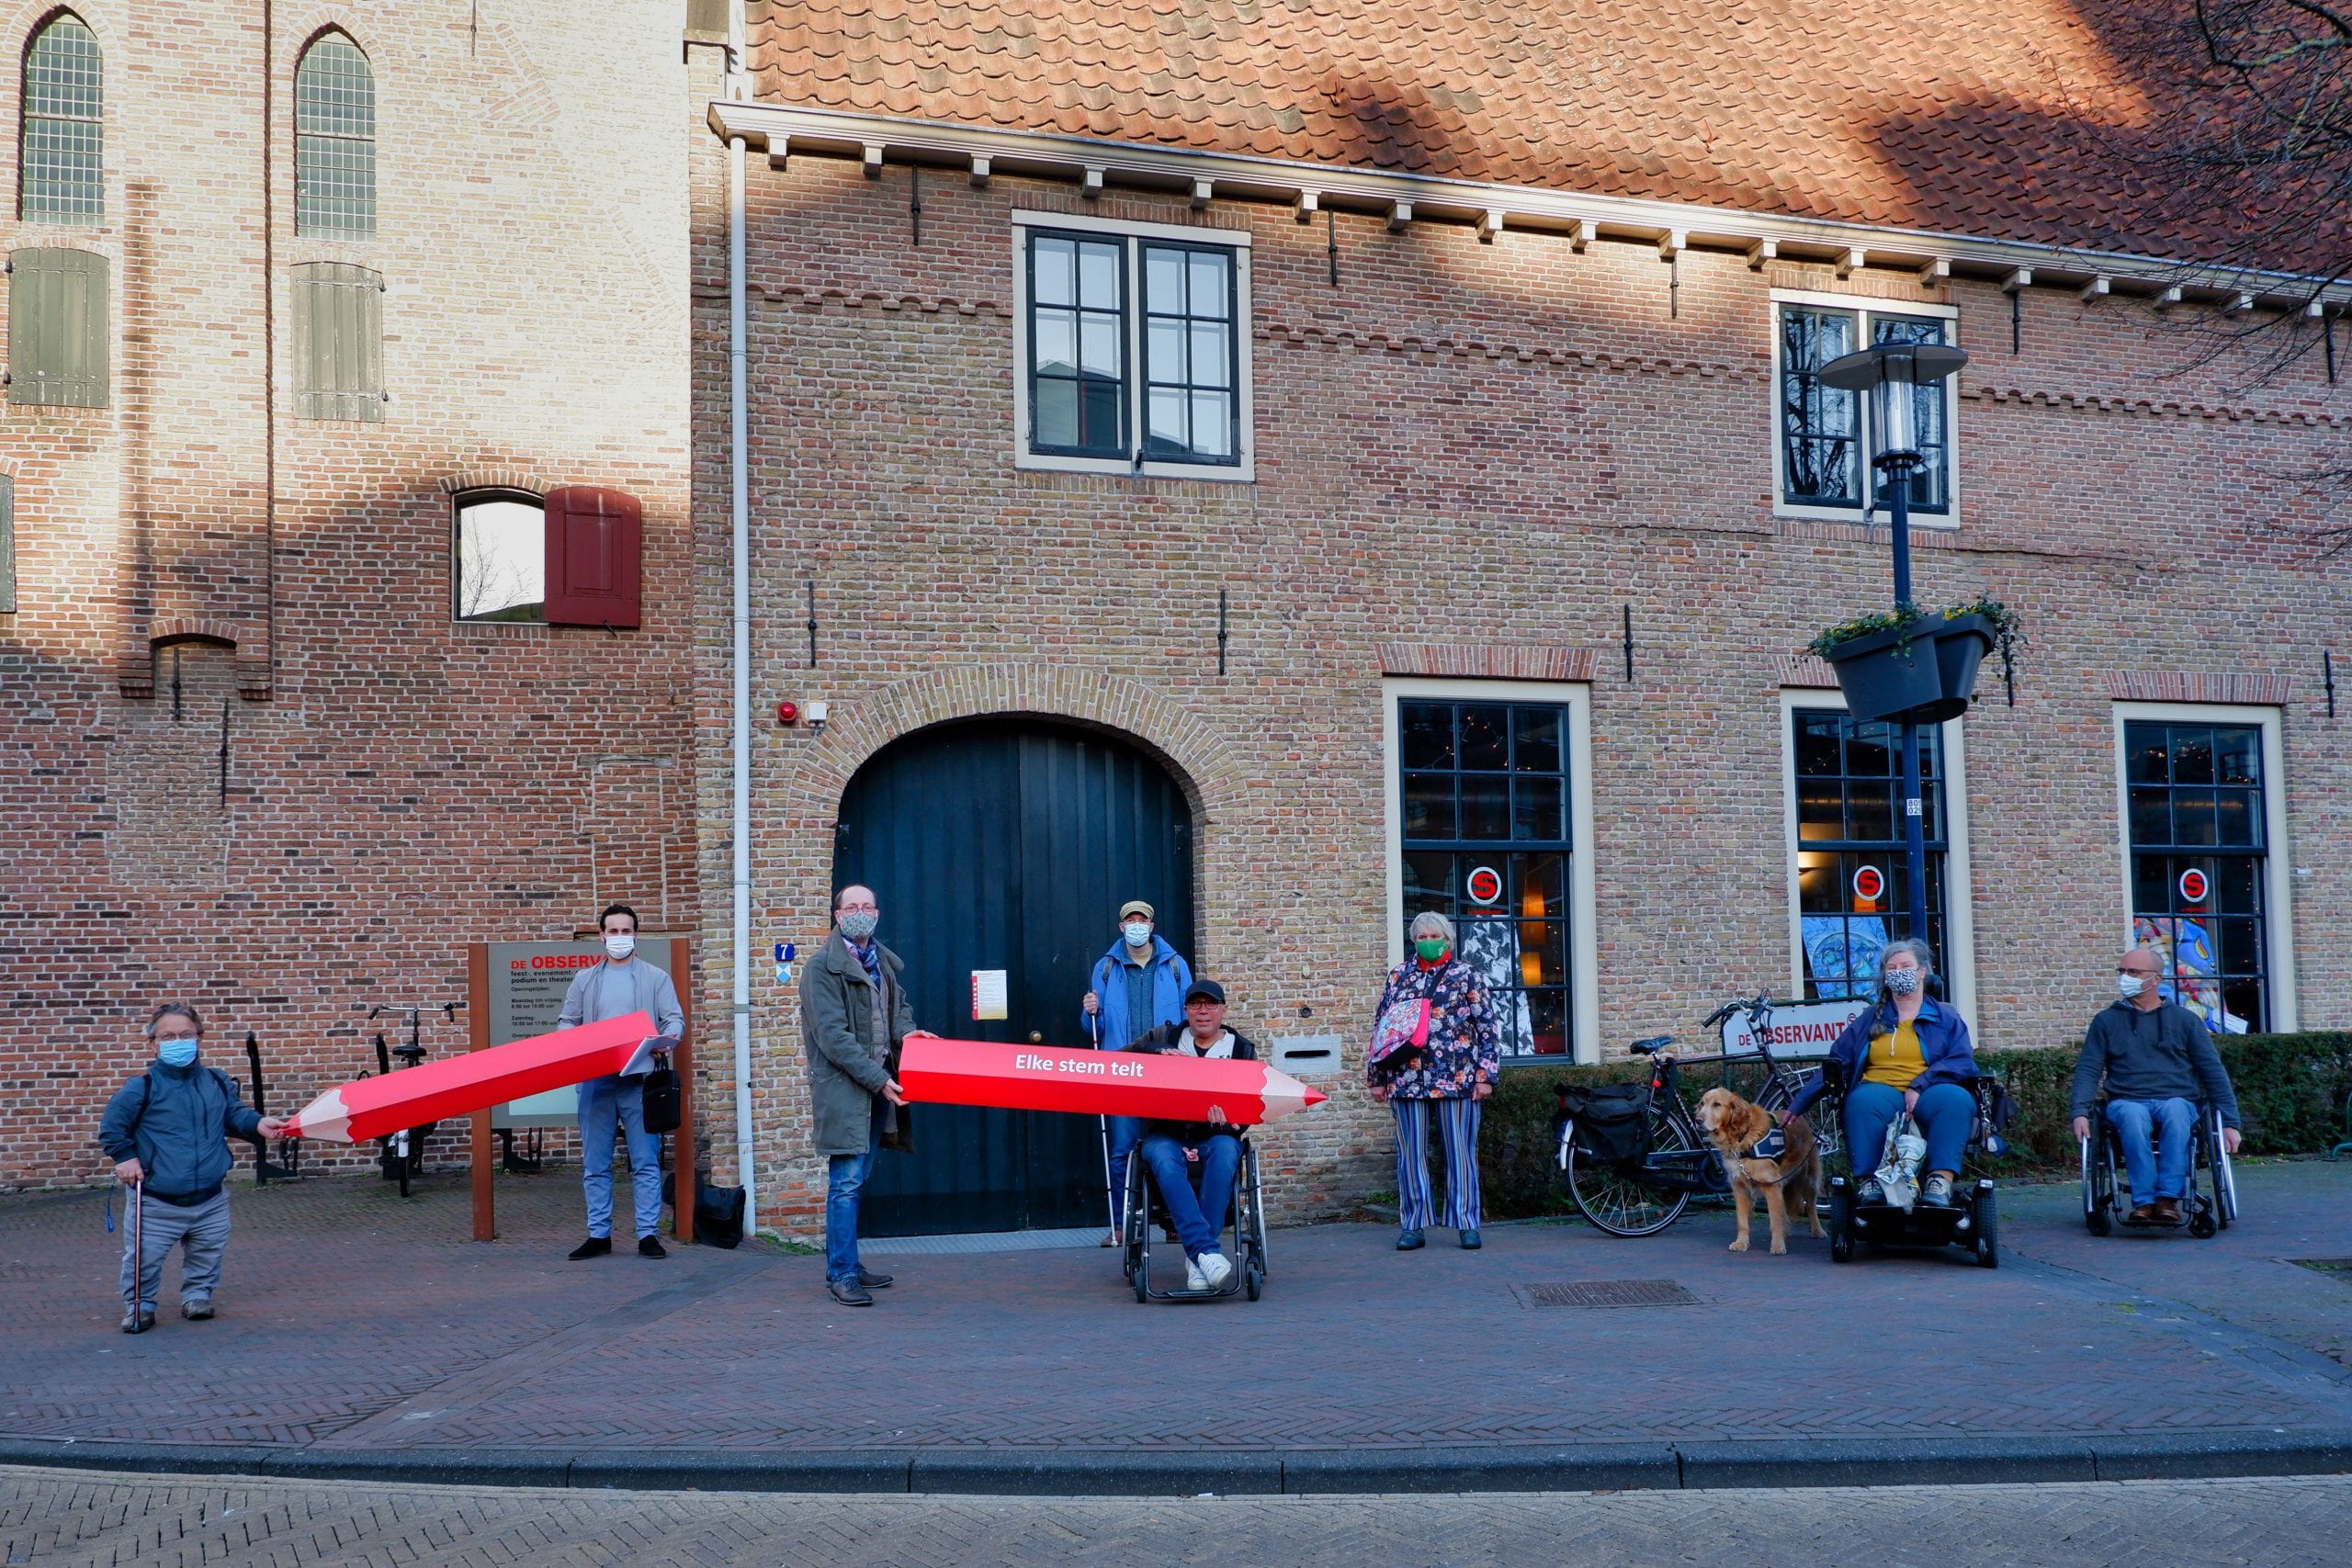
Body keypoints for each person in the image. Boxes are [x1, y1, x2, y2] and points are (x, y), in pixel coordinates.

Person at [96, 1003, 288, 1331]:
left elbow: (233, 1114)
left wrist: (257, 1123)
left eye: (186, 1035)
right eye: (168, 1036)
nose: (178, 1042)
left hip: (210, 1197)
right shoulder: (140, 1088)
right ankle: (140, 1305)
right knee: (144, 1257)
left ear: (199, 1038)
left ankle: (197, 1296)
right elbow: (113, 1128)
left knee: (207, 1252)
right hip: (156, 1199)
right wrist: (125, 1158)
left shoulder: (216, 1081)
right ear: (153, 1044)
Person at [802, 883, 939, 1306]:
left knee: (858, 1180)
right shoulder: (821, 968)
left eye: (867, 906)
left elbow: (898, 1011)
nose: (860, 913)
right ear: (838, 915)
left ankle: (847, 1263)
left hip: (879, 1086)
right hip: (847, 1090)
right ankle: (842, 1274)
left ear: (877, 913)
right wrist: (878, 1079)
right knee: (845, 1183)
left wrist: (908, 1034)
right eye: (852, 907)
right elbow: (833, 1038)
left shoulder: (883, 963)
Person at [1788, 939, 1981, 1208]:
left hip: (1930, 1090)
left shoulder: (1946, 1017)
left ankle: (1940, 1181)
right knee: (1861, 1101)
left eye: (1906, 966)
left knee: (1955, 1100)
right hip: (1880, 1089)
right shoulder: (1870, 1018)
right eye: (1892, 968)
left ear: (1922, 971)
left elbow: (1961, 1060)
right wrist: (1798, 1105)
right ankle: (1870, 1182)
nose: (1899, 972)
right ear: (1885, 975)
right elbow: (1838, 1062)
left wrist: (1920, 1085)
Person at [2069, 946, 2243, 1226]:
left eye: (2133, 972)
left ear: (2156, 978)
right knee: (2132, 1116)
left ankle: (2167, 1199)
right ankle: (2145, 1201)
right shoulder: (2106, 1021)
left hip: (2177, 1097)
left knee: (2176, 1113)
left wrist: (2230, 1123)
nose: (2125, 977)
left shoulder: (2185, 1021)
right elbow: (2088, 1068)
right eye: (2122, 971)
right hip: (2126, 1098)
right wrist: (2079, 1111)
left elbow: (2212, 1072)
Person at [557, 903, 686, 1261]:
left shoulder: (655, 977)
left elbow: (674, 1020)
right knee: (595, 1164)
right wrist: (577, 1042)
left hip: (639, 1082)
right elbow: (566, 1021)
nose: (619, 937)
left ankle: (647, 1234)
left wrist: (665, 1041)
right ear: (601, 936)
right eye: (612, 931)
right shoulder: (585, 980)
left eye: (625, 931)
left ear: (635, 935)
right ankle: (599, 1235)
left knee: (645, 1161)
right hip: (596, 1082)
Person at [1367, 912, 1500, 1251]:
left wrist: (1485, 1076)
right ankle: (1413, 1225)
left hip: (1457, 1078)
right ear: (1414, 941)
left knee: (1461, 1154)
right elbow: (1383, 1027)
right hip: (1406, 1078)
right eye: (1421, 937)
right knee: (1410, 1156)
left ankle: (1466, 1224)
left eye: (1434, 936)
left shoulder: (1466, 975)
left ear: (1447, 939)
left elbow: (1487, 1027)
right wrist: (1377, 1076)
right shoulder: (1399, 975)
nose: (1428, 942)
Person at [1126, 979, 1254, 1292]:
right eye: (1196, 1004)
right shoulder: (1164, 1036)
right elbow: (1122, 1059)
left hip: (1214, 1135)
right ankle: (1206, 1252)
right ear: (1186, 1010)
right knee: (1162, 1157)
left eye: (1211, 1004)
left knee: (1227, 1151)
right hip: (1166, 1133)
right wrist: (1157, 1051)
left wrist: (1229, 1123)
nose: (1203, 1011)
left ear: (1223, 1010)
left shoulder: (1241, 1049)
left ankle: (1199, 1259)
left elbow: (1249, 1106)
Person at [1080, 898, 1193, 1244]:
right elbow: (1093, 1028)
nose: (1136, 925)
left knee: (1172, 1145)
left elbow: (1190, 1019)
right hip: (1122, 1070)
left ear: (1151, 926)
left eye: (1142, 920)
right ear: (1122, 927)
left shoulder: (1175, 965)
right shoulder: (1105, 967)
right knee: (1122, 1151)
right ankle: (1121, 1224)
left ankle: (1174, 1221)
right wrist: (1089, 1011)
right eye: (1130, 920)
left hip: (1166, 1069)